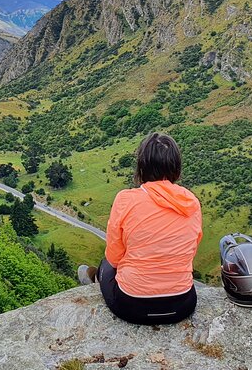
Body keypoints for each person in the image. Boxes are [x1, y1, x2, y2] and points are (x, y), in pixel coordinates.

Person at [78, 133, 202, 325]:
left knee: (106, 265)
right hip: (182, 304)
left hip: (132, 305)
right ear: (176, 167)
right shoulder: (191, 201)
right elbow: (190, 250)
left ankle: (95, 282)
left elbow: (115, 257)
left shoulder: (126, 199)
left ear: (141, 167)